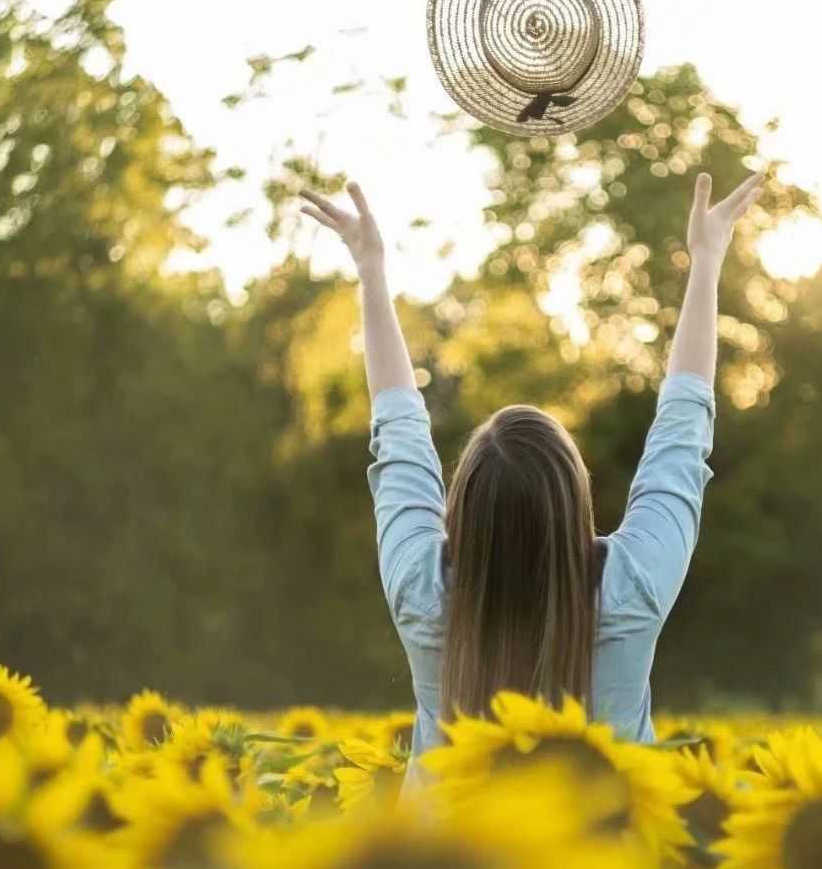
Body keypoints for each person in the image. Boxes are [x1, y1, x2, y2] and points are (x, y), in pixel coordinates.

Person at [299, 167, 764, 781]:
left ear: (461, 507)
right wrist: (706, 262)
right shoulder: (633, 587)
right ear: (575, 500)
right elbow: (683, 433)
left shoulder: (422, 590)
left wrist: (370, 269)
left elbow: (399, 434)